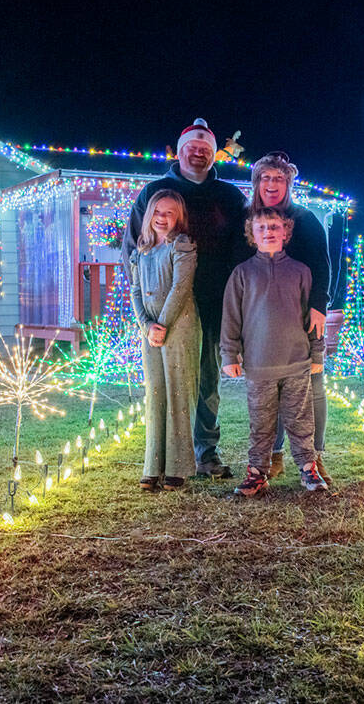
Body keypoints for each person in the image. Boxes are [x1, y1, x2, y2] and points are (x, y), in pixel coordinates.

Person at [122, 119, 249, 479]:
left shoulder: (229, 197)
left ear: (213, 155)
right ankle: (164, 458)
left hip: (212, 300)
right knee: (165, 383)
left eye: (205, 149)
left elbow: (242, 248)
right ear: (179, 152)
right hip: (163, 307)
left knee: (208, 380)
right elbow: (134, 247)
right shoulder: (155, 192)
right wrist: (144, 307)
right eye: (192, 148)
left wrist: (237, 295)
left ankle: (205, 452)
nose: (198, 153)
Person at [221, 207, 326, 496]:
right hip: (258, 367)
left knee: (301, 421)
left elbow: (313, 319)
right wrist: (229, 354)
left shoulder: (301, 272)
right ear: (252, 235)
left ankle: (308, 468)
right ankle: (257, 473)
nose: (268, 232)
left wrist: (317, 354)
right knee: (261, 424)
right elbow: (231, 317)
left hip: (297, 364)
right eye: (262, 228)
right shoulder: (242, 274)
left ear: (286, 232)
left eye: (275, 226)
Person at [247, 152, 332, 484]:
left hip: (303, 316)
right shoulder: (249, 218)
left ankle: (315, 457)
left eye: (279, 179)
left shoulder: (306, 219)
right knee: (270, 389)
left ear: (289, 184)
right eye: (265, 178)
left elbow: (323, 266)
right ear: (257, 183)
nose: (272, 184)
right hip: (263, 321)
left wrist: (318, 306)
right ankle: (275, 456)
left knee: (312, 385)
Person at [129, 190, 201, 491]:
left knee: (178, 394)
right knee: (156, 393)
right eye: (157, 211)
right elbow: (134, 291)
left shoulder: (181, 246)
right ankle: (153, 464)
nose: (162, 217)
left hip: (179, 326)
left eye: (170, 212)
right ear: (149, 215)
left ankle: (178, 466)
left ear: (179, 217)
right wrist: (146, 324)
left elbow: (180, 288)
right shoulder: (141, 250)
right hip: (150, 331)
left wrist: (162, 324)